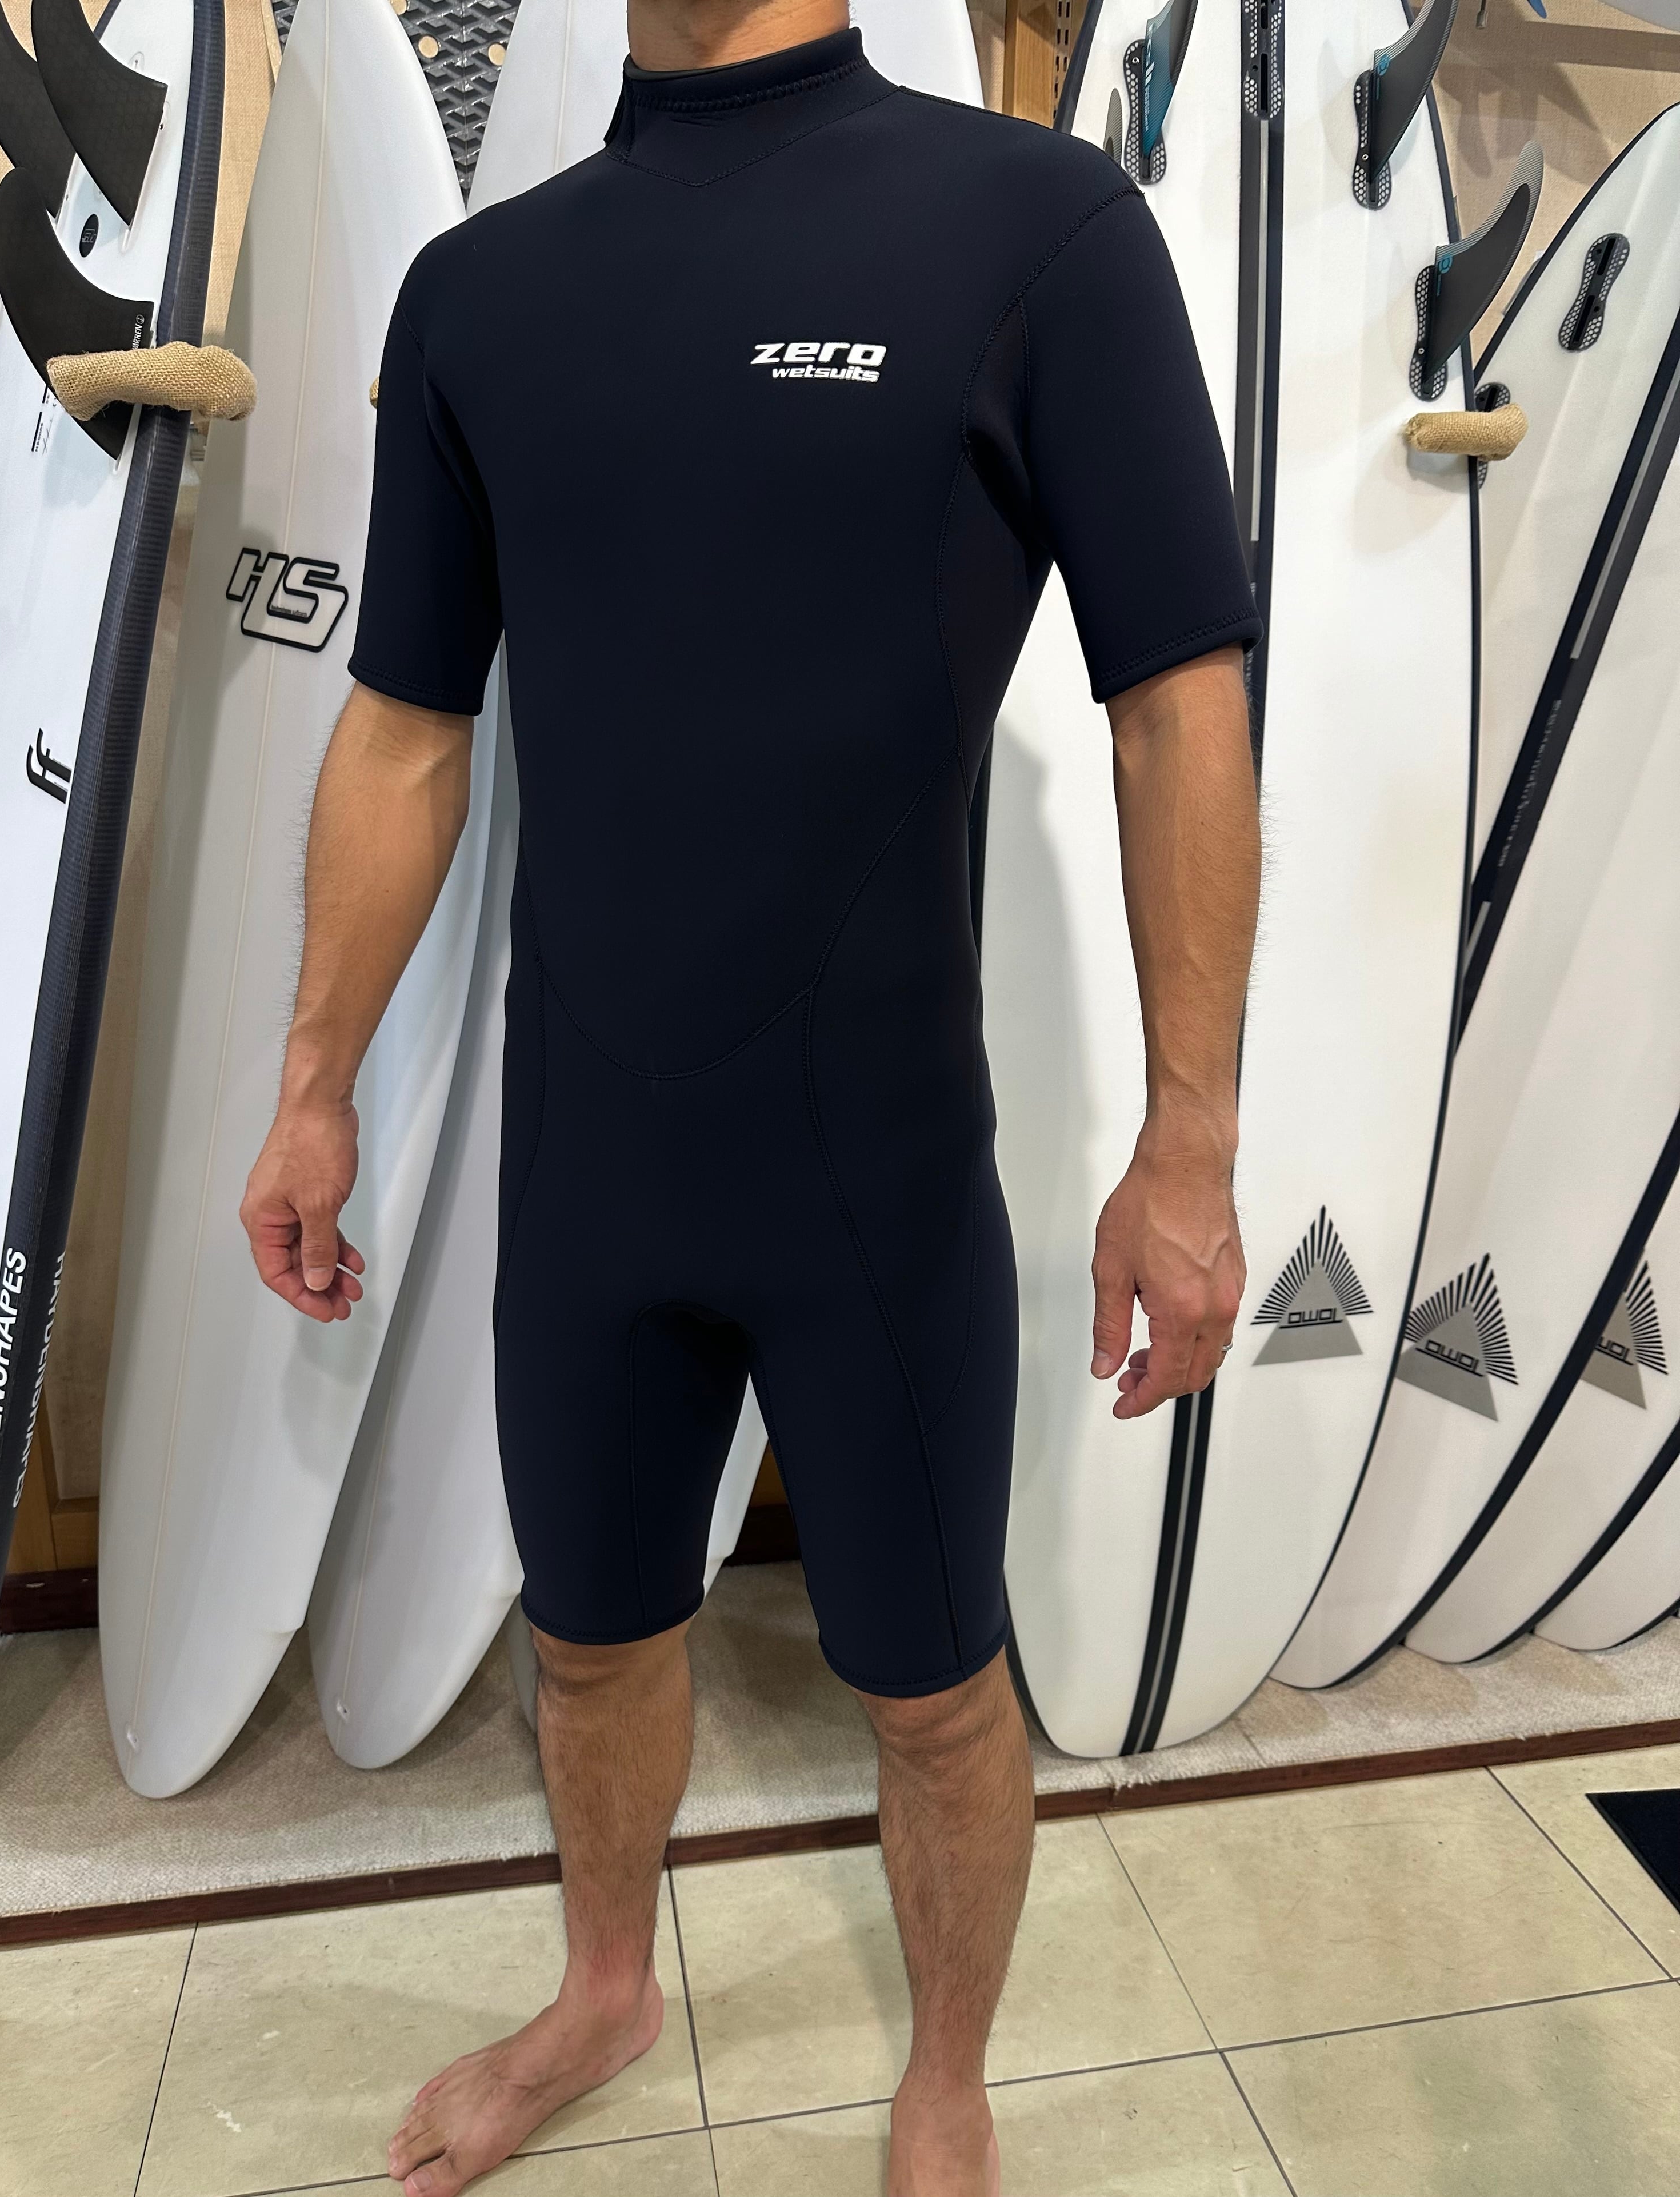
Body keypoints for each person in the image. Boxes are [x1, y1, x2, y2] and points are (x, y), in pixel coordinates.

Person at [240, 0, 1261, 2188]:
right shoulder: (481, 296)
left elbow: (1180, 697)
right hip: (592, 1153)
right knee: (591, 1645)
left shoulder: (1038, 232)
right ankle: (605, 1988)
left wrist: (1190, 1139)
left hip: (872, 1168)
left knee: (936, 1691)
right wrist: (311, 1078)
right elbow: (406, 727)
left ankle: (947, 2077)